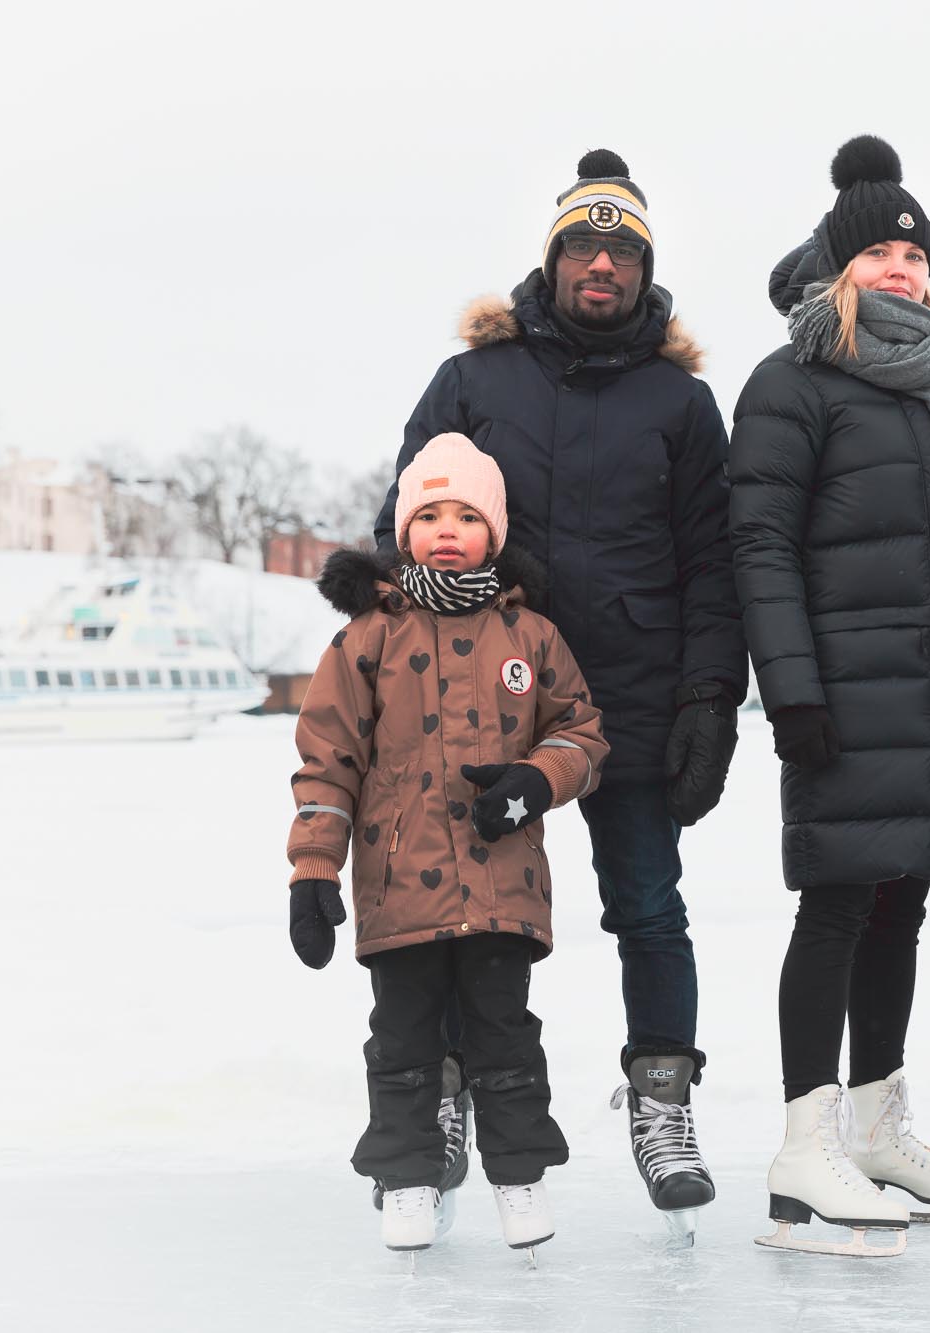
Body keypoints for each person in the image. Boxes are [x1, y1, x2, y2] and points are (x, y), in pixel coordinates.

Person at [375, 151, 746, 1225]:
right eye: (582, 245)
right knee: (463, 916)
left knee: (647, 908)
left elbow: (710, 562)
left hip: (631, 696)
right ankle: (448, 1097)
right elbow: (404, 525)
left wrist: (708, 698)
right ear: (550, 258)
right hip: (485, 701)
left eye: (621, 250)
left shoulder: (681, 401)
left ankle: (662, 1104)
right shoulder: (471, 382)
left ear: (644, 271)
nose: (600, 264)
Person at [728, 134, 930, 1256]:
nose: (900, 268)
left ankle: (879, 1124)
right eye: (878, 252)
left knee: (904, 900)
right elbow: (759, 544)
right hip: (838, 696)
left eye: (914, 253)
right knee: (837, 901)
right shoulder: (791, 381)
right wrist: (790, 688)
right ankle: (805, 1144)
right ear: (836, 265)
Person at [287, 433, 609, 1253]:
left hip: (502, 883)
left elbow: (579, 729)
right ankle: (406, 1180)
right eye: (429, 513)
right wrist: (313, 866)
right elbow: (328, 758)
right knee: (402, 1043)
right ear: (403, 529)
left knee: (505, 1035)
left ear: (493, 533)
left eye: (467, 514)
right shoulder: (368, 637)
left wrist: (538, 780)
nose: (447, 528)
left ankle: (519, 1178)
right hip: (399, 885)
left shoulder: (529, 634)